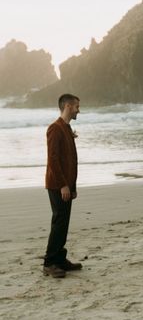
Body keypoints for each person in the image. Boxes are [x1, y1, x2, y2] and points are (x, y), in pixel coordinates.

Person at [43, 93, 83, 278]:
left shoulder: (66, 129)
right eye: (76, 106)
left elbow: (70, 160)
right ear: (67, 106)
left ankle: (60, 259)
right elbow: (53, 160)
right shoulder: (55, 128)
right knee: (59, 222)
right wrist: (63, 186)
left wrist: (72, 187)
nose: (78, 110)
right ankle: (50, 263)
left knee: (63, 223)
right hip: (57, 185)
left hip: (66, 184)